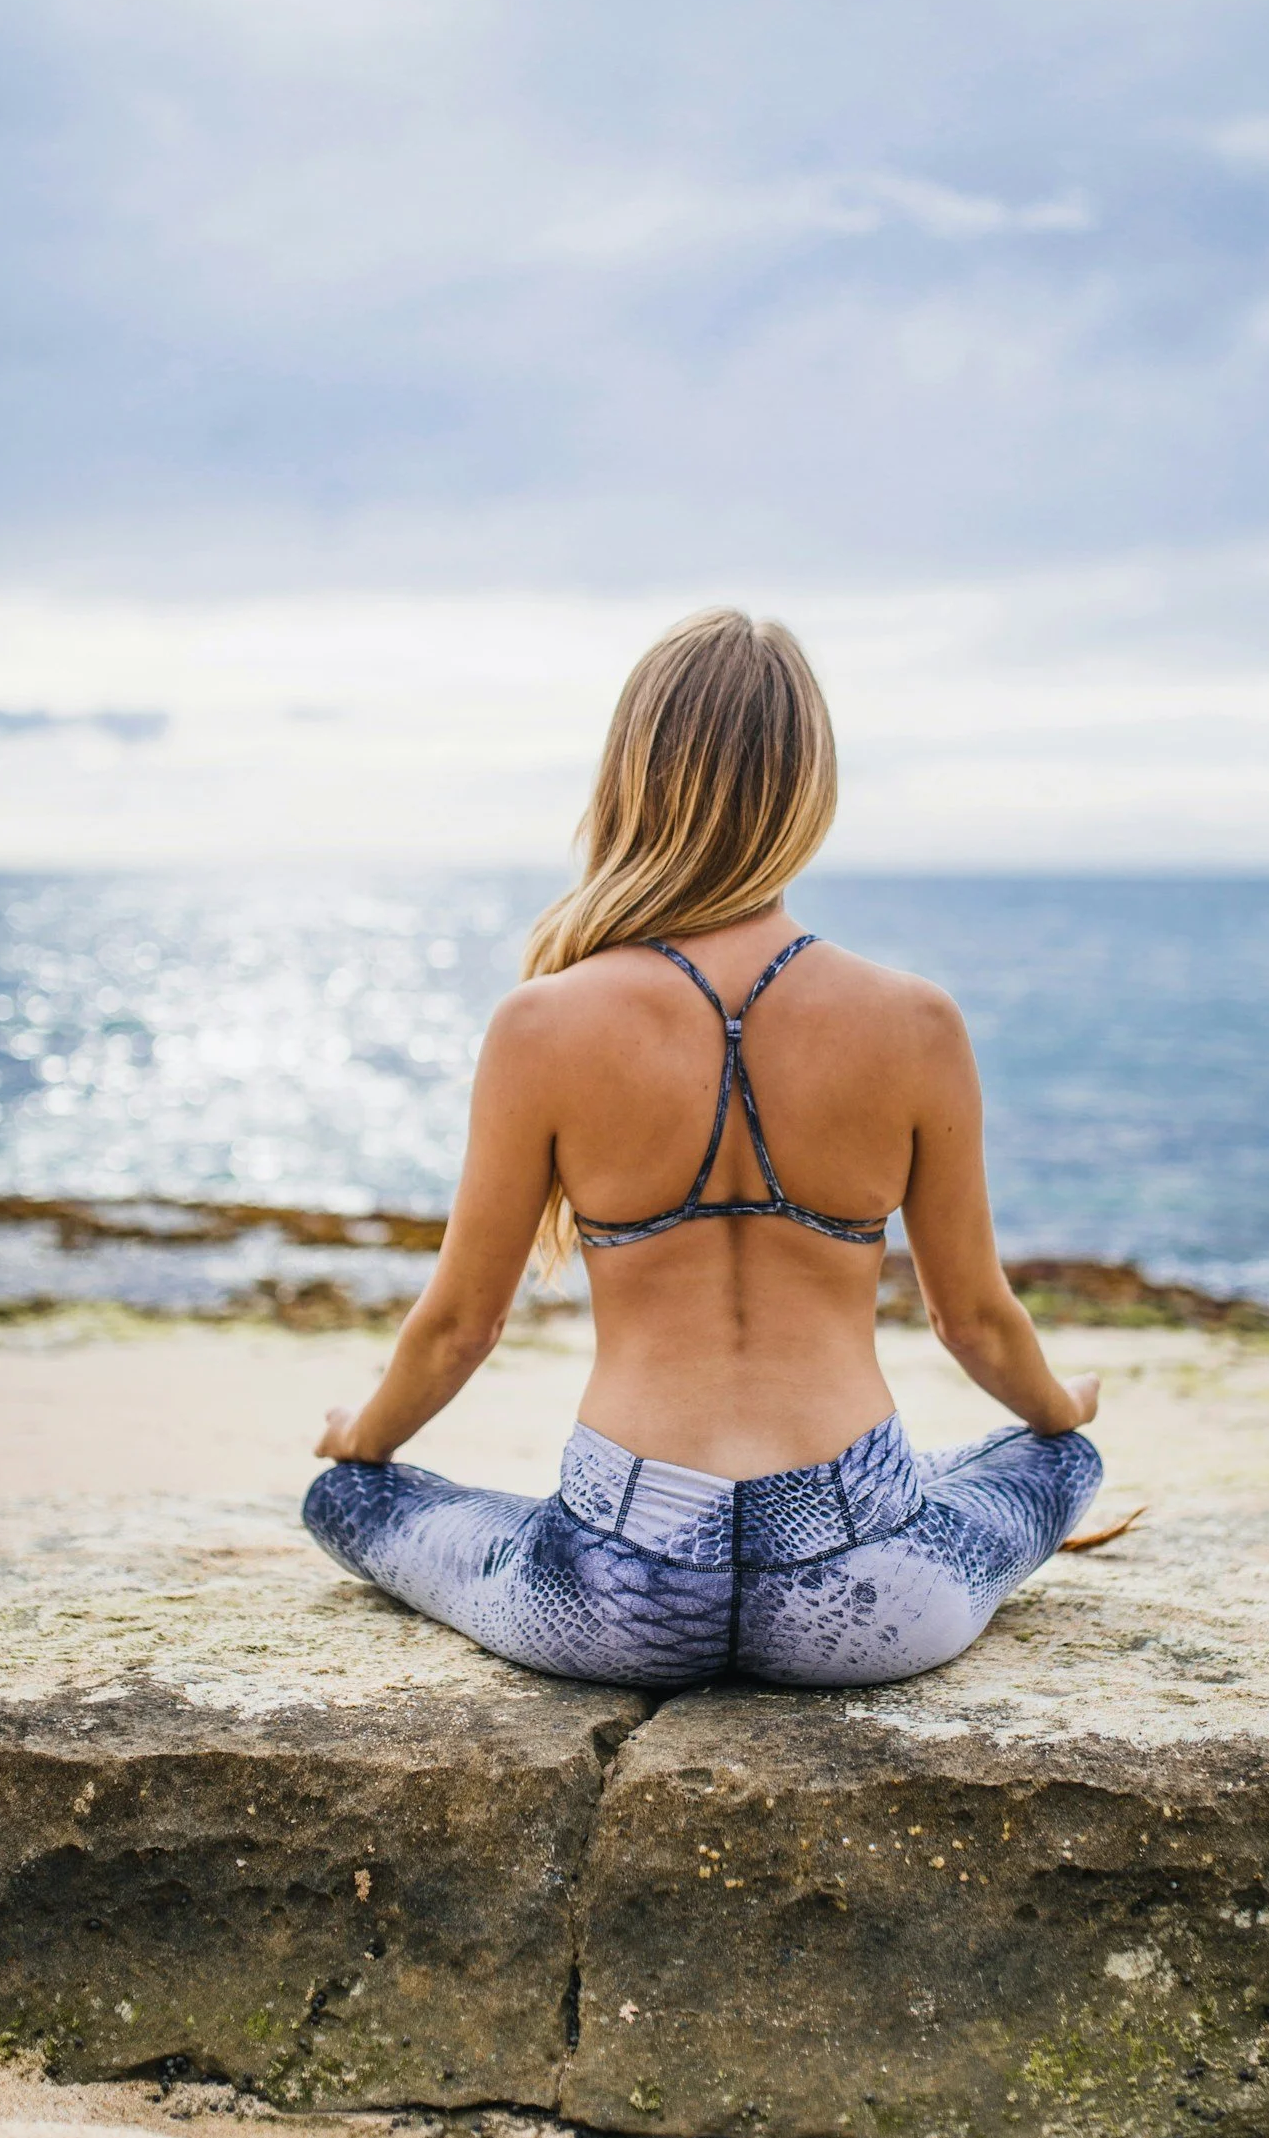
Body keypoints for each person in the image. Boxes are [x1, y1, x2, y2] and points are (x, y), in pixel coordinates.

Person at [306, 609, 1104, 1689]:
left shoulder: (539, 1024)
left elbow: (458, 1328)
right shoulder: (915, 1021)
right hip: (866, 1583)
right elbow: (972, 1321)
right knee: (1056, 1462)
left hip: (616, 1584)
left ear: (630, 777)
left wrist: (363, 1436)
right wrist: (1061, 1416)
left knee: (350, 1496)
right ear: (807, 792)